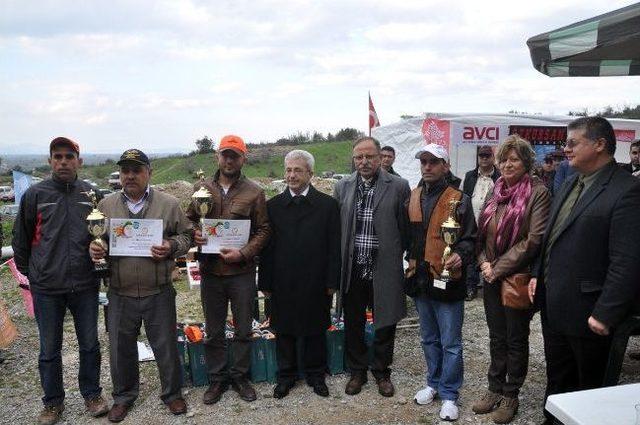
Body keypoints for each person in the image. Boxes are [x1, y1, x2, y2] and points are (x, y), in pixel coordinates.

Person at [528, 117, 640, 423]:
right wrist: (538, 273)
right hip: (555, 306)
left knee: (590, 395)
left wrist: (606, 312)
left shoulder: (628, 190)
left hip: (590, 314)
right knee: (557, 382)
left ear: (600, 144)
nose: (565, 150)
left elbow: (628, 260)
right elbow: (552, 236)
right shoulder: (569, 183)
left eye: (573, 143)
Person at [89, 149, 192, 422]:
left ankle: (172, 394)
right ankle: (123, 397)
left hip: (157, 289)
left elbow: (187, 236)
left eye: (136, 170)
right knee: (120, 348)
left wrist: (171, 246)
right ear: (120, 175)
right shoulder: (106, 205)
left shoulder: (169, 204)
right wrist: (96, 249)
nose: (130, 176)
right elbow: (99, 240)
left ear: (149, 173)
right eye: (125, 171)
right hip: (120, 290)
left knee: (166, 346)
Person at [12, 137, 108, 425]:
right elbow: (21, 241)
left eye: (69, 156)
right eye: (58, 156)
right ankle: (52, 403)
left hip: (85, 284)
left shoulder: (92, 194)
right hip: (47, 288)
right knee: (49, 349)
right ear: (50, 160)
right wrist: (34, 274)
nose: (63, 161)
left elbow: (102, 235)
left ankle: (92, 394)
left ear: (79, 161)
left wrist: (101, 251)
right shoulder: (35, 195)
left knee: (90, 344)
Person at [472, 136, 550, 424]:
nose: (506, 164)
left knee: (516, 339)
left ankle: (510, 393)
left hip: (515, 277)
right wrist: (482, 262)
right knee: (496, 336)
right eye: (503, 159)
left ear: (527, 162)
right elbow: (481, 232)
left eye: (513, 159)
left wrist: (498, 267)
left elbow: (534, 240)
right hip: (491, 274)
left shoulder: (538, 192)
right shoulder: (497, 190)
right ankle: (494, 388)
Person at [188, 135, 271, 405]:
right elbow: (188, 221)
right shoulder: (201, 188)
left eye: (234, 155)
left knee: (244, 329)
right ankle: (217, 379)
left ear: (243, 158)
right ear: (217, 156)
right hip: (211, 272)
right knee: (213, 330)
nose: (229, 159)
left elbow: (264, 229)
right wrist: (194, 234)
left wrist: (244, 252)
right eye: (225, 154)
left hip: (241, 273)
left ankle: (240, 376)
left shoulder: (255, 191)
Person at [258, 150, 341, 399]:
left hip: (315, 280)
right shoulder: (272, 207)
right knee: (284, 329)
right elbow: (267, 248)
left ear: (310, 174)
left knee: (315, 327)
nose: (292, 175)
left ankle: (316, 374)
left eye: (298, 170)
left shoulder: (328, 206)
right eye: (288, 170)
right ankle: (286, 375)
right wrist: (265, 281)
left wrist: (331, 281)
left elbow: (334, 246)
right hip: (282, 280)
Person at [333, 136, 410, 398]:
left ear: (380, 158)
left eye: (369, 156)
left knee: (385, 321)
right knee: (353, 321)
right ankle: (357, 371)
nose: (364, 162)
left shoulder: (399, 186)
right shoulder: (342, 186)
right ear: (353, 159)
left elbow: (405, 227)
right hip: (353, 267)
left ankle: (381, 371)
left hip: (383, 266)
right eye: (358, 157)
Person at [406, 143, 476, 422]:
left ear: (445, 166)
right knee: (428, 338)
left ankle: (449, 394)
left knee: (451, 342)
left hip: (448, 279)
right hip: (420, 278)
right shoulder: (412, 196)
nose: (427, 167)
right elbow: (407, 236)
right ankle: (433, 383)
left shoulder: (460, 198)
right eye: (423, 162)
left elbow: (472, 237)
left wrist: (460, 254)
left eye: (433, 162)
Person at [462, 145, 500, 301]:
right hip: (472, 222)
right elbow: (464, 197)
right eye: (481, 156)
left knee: (490, 254)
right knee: (471, 255)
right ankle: (470, 287)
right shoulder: (469, 176)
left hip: (492, 224)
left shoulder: (500, 177)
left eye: (487, 156)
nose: (484, 159)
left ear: (493, 157)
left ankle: (490, 287)